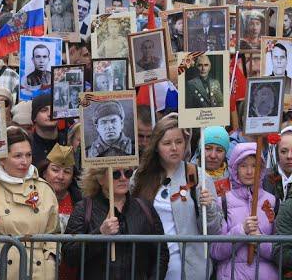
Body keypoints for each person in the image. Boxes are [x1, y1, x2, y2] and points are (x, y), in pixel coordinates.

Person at [130, 113, 220, 280]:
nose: (174, 148)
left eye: (179, 142)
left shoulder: (199, 177)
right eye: (167, 143)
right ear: (156, 146)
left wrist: (210, 209)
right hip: (150, 268)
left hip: (190, 270)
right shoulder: (139, 177)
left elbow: (213, 230)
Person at [0, 126, 60, 280]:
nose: (25, 161)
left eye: (28, 155)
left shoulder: (44, 189)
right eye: (18, 156)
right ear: (2, 158)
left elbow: (54, 234)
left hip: (38, 272)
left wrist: (50, 262)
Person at [61, 165, 166, 279]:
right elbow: (69, 255)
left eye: (128, 173)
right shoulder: (84, 208)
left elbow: (161, 253)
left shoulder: (144, 208)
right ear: (100, 179)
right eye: (115, 174)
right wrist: (100, 234)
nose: (123, 178)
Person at [211, 141, 277, 280]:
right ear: (235, 169)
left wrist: (260, 241)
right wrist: (241, 231)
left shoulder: (273, 202)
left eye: (255, 165)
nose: (249, 171)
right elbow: (216, 251)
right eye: (243, 166)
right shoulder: (222, 202)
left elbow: (280, 251)